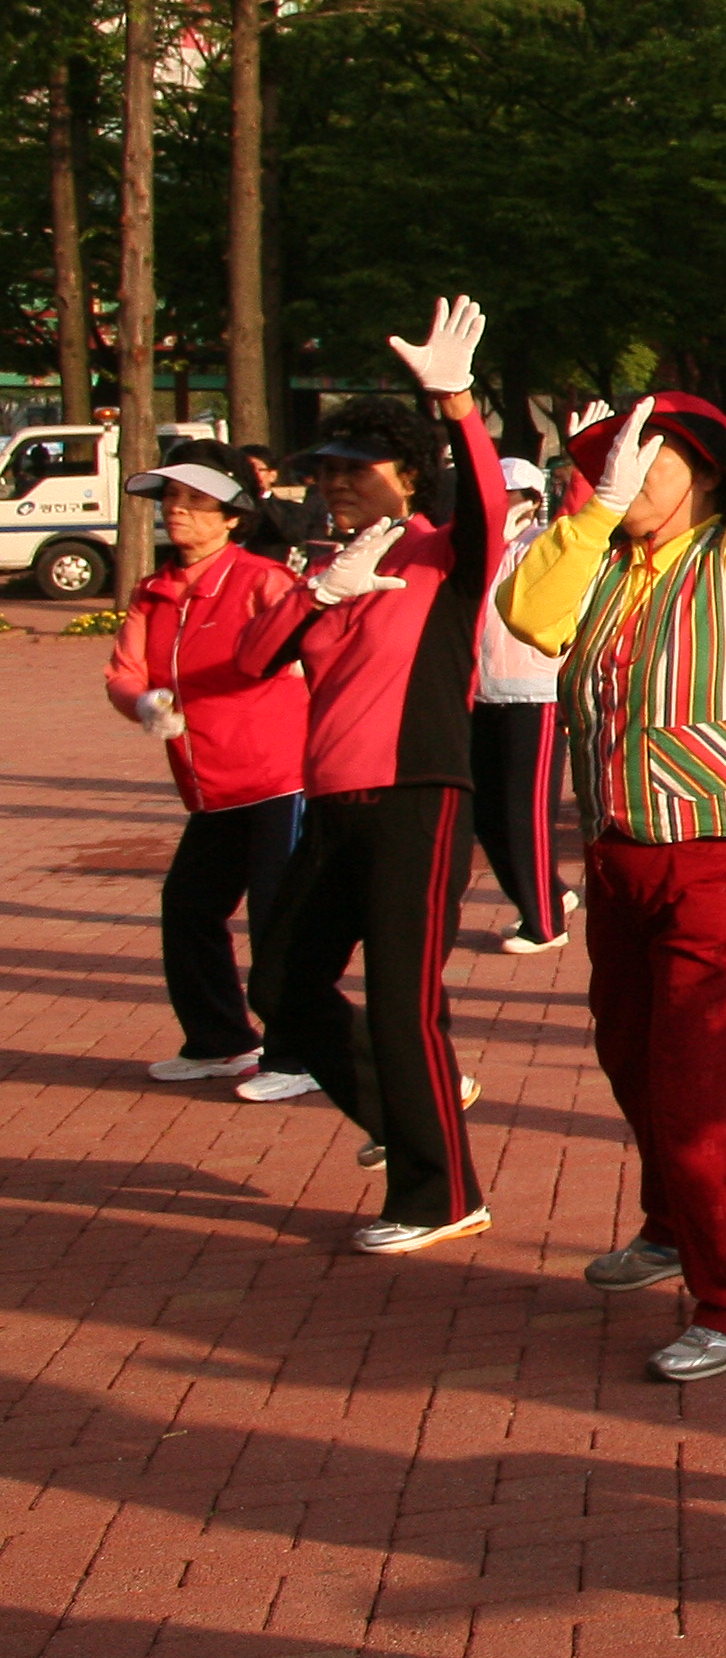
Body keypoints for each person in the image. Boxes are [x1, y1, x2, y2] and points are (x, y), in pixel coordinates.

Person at [498, 209, 726, 1383]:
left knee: (702, 1085)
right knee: (631, 1056)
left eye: (650, 461)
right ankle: (675, 1223)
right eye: (611, 459)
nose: (627, 477)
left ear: (701, 472)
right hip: (621, 856)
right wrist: (591, 506)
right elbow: (525, 618)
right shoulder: (596, 568)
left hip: (723, 859)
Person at [233, 307, 506, 1246]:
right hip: (335, 808)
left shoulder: (441, 556)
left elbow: (486, 508)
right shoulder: (329, 567)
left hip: (418, 800)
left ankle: (441, 1194)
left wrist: (456, 404)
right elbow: (253, 659)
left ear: (406, 477)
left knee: (402, 1000)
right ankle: (411, 1120)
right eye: (327, 470)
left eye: (356, 468)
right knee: (281, 984)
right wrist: (318, 590)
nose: (337, 484)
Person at [105, 458, 309, 1085]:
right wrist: (141, 702)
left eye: (194, 500)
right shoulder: (153, 590)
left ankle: (297, 1055)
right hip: (209, 787)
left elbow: (306, 648)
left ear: (231, 518)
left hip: (279, 777)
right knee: (189, 908)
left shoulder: (261, 579)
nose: (176, 510)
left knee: (280, 919)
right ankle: (220, 1039)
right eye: (169, 498)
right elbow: (125, 671)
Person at [471, 456, 573, 954]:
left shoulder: (543, 542)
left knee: (523, 815)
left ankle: (545, 922)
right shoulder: (476, 545)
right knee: (486, 816)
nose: (501, 503)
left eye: (512, 495)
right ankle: (553, 894)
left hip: (535, 695)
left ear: (533, 502)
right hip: (481, 693)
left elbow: (574, 545)